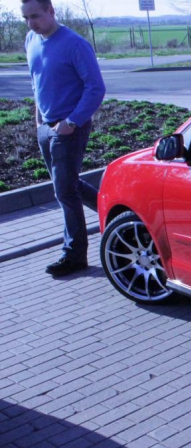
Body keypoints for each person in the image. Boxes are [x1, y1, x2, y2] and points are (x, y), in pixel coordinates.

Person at [22, 0, 105, 277]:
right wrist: (38, 122)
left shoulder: (75, 44)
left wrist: (71, 122)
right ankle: (117, 211)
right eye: (26, 18)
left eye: (35, 16)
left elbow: (95, 88)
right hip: (46, 128)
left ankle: (74, 255)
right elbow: (36, 82)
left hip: (69, 128)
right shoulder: (31, 39)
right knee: (69, 185)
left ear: (51, 10)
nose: (31, 23)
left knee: (64, 191)